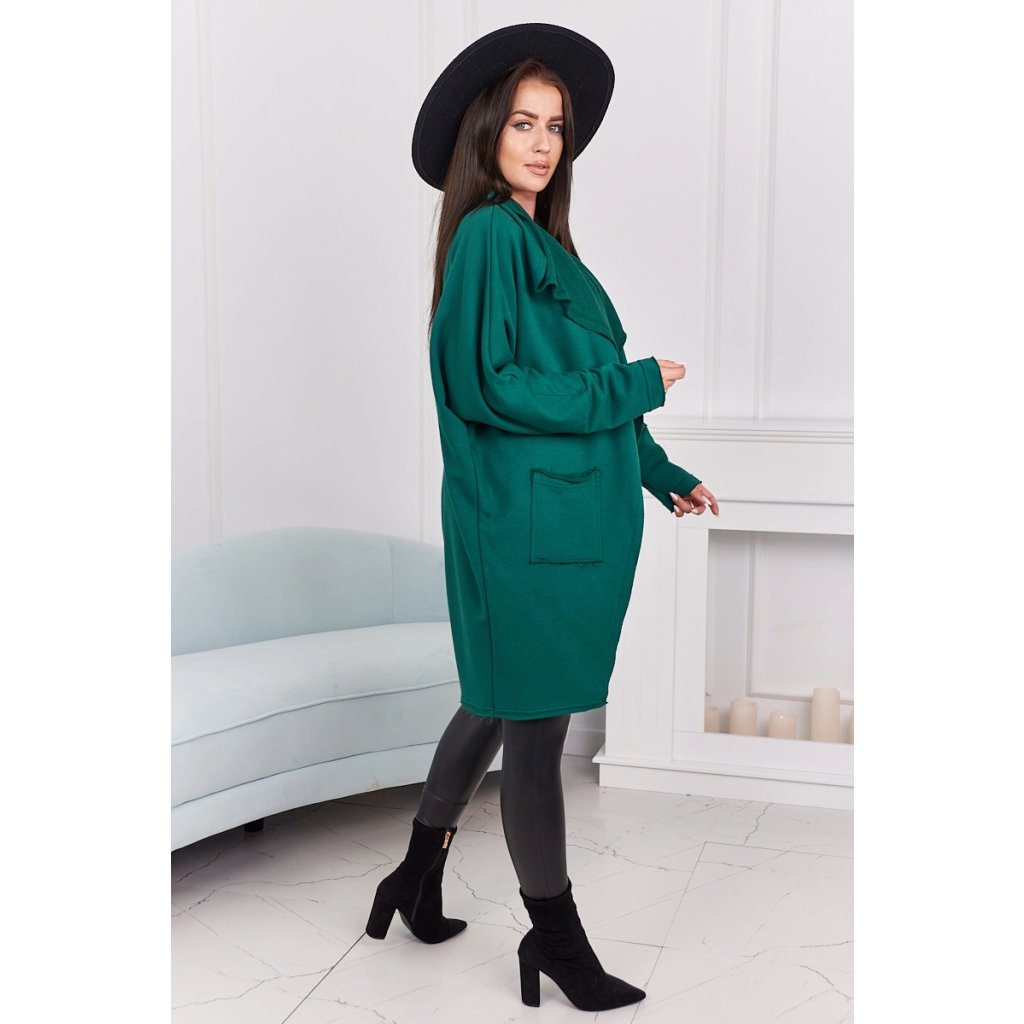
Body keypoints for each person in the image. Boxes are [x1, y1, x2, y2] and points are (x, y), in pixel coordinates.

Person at [364, 23, 718, 1012]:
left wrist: (659, 470)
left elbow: (581, 390)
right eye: (522, 123)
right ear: (486, 132)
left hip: (562, 529)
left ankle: (415, 874)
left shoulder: (542, 243)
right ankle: (555, 941)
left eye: (555, 126)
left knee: (494, 700)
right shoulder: (486, 233)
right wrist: (637, 380)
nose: (542, 142)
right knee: (532, 727)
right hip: (520, 532)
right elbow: (488, 385)